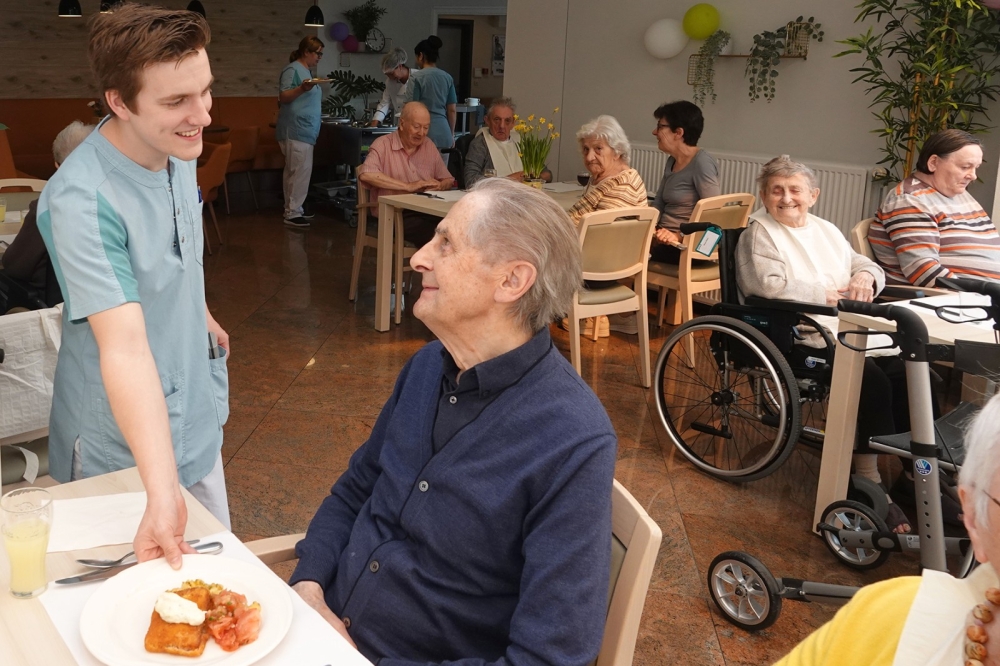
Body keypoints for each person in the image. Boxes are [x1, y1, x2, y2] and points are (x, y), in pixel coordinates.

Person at [289, 178, 617, 665]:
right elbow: (358, 488)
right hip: (314, 630)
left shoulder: (571, 439)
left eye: (445, 243)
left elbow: (551, 655)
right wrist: (309, 587)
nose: (419, 257)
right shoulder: (426, 367)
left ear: (511, 281)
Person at [36, 4, 231, 567]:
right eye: (176, 101)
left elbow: (175, 253)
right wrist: (162, 489)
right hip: (124, 443)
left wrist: (199, 312)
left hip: (193, 405)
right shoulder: (82, 200)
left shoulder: (176, 146)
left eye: (205, 92)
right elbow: (122, 345)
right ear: (120, 102)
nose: (203, 116)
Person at [735, 155, 912, 533]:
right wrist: (828, 295)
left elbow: (864, 265)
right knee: (874, 381)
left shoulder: (826, 229)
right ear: (764, 196)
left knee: (906, 372)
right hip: (802, 332)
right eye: (776, 190)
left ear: (812, 195)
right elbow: (764, 286)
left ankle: (914, 473)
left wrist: (864, 275)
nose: (786, 198)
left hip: (846, 323)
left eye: (795, 190)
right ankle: (869, 479)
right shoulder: (758, 233)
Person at [774, 391, 1000, 666]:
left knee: (914, 380)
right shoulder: (887, 616)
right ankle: (870, 473)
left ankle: (912, 474)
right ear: (975, 518)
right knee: (877, 381)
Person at [870, 129, 1000, 285]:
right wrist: (985, 293)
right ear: (933, 163)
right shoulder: (910, 200)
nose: (973, 176)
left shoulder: (956, 192)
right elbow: (923, 271)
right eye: (965, 167)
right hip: (958, 301)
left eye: (976, 167)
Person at [565, 115, 647, 337]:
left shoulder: (623, 185)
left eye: (598, 149)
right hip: (599, 263)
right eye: (585, 150)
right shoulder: (605, 179)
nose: (590, 157)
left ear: (617, 150)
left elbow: (596, 240)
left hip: (597, 270)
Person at [2, 121, 94, 293]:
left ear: (57, 166)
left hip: (54, 306)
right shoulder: (127, 202)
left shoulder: (48, 207)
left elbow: (15, 266)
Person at [357, 101, 453, 247]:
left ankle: (435, 267)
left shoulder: (428, 145)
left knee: (457, 227)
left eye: (426, 128)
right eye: (416, 127)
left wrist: (439, 186)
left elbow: (448, 179)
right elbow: (367, 174)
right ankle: (433, 267)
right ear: (402, 124)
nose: (421, 133)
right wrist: (408, 186)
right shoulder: (382, 144)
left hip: (425, 211)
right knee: (440, 236)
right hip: (393, 215)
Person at [649, 100, 721, 264]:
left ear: (678, 132)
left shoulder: (702, 163)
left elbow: (713, 213)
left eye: (660, 126)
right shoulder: (672, 161)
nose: (654, 132)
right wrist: (650, 224)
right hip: (663, 238)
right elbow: (659, 201)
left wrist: (679, 236)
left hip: (685, 246)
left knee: (624, 252)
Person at [276, 35, 324, 229]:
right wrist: (302, 89)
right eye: (317, 53)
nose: (320, 57)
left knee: (296, 171)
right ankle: (293, 212)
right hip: (296, 130)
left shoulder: (307, 71)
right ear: (306, 52)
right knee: (299, 172)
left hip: (305, 129)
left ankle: (295, 208)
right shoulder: (292, 69)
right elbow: (284, 95)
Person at [463, 97, 552, 188]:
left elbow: (547, 174)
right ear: (487, 120)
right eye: (497, 119)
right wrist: (508, 180)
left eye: (507, 121)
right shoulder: (480, 144)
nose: (501, 126)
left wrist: (533, 178)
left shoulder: (521, 142)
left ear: (513, 123)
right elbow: (470, 181)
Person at [409, 35, 457, 156]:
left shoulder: (416, 77)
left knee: (422, 174)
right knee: (441, 174)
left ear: (421, 56)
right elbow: (452, 110)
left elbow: (412, 109)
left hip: (423, 134)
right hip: (444, 134)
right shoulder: (447, 78)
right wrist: (451, 134)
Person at [369, 47, 411, 127]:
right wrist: (375, 122)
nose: (390, 78)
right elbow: (384, 103)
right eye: (387, 75)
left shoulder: (418, 77)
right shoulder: (389, 82)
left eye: (391, 74)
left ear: (400, 66)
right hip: (400, 124)